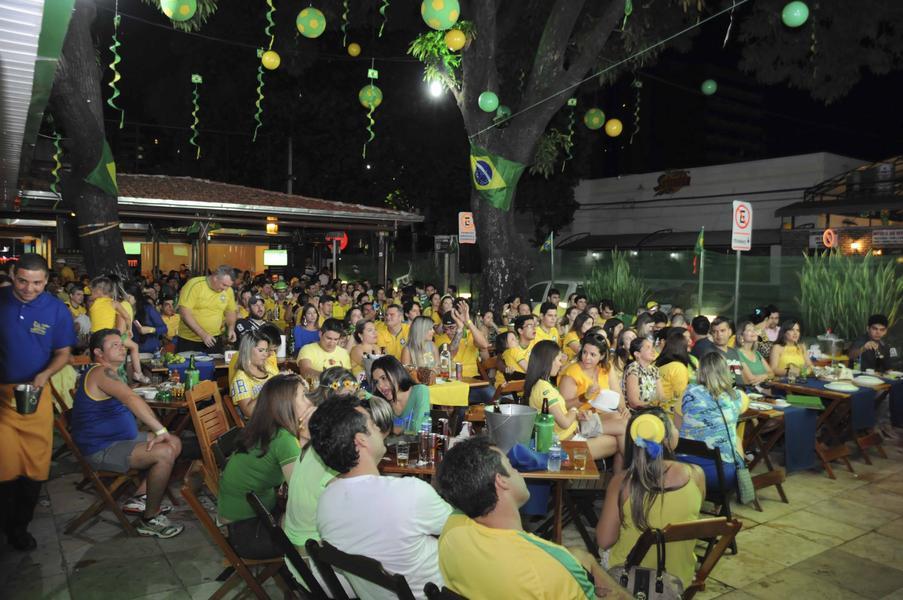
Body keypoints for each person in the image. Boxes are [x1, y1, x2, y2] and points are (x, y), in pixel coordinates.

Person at [435, 436, 621, 600]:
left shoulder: (452, 532)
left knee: (581, 556)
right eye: (510, 465)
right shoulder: (548, 572)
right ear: (501, 480)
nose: (517, 471)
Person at [311, 396, 453, 600]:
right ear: (361, 440)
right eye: (372, 424)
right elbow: (459, 528)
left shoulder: (326, 502)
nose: (379, 429)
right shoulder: (410, 493)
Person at [283, 369, 394, 593]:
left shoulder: (320, 446)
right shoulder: (341, 465)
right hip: (314, 567)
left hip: (297, 556)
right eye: (374, 428)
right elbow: (366, 527)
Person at [71, 329, 184, 538]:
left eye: (121, 343)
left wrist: (163, 433)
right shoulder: (100, 372)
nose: (122, 347)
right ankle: (149, 519)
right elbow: (131, 399)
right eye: (114, 345)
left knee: (175, 442)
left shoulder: (109, 372)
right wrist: (159, 429)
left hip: (121, 440)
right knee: (165, 453)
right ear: (98, 352)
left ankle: (141, 497)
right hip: (102, 448)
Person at [0, 254, 76, 550]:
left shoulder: (56, 309)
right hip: (2, 398)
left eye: (37, 283)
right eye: (22, 281)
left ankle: (20, 527)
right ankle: (8, 525)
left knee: (35, 466)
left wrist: (46, 374)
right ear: (12, 275)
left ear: (47, 281)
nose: (29, 288)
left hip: (34, 395)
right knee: (5, 464)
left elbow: (63, 352)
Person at [597, 410, 704, 589]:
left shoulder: (622, 483)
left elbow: (604, 540)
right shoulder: (696, 475)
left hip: (629, 577)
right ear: (667, 438)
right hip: (678, 578)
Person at [218, 375, 313, 559]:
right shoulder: (283, 439)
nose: (308, 401)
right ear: (286, 404)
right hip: (247, 531)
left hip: (243, 516)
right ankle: (306, 582)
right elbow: (303, 494)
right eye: (303, 396)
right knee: (316, 528)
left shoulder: (267, 427)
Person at [525, 341, 619, 461]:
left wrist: (577, 415)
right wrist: (574, 411)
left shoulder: (543, 385)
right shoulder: (543, 388)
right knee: (617, 440)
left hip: (573, 433)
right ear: (549, 361)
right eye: (559, 360)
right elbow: (564, 423)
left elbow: (560, 415)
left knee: (619, 424)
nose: (560, 365)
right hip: (565, 442)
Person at [675, 353, 747, 491]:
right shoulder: (737, 396)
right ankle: (739, 485)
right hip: (720, 476)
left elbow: (679, 429)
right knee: (736, 440)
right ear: (726, 371)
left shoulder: (688, 392)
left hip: (685, 468)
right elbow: (742, 407)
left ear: (700, 371)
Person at [558, 334, 628, 469]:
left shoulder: (605, 368)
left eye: (592, 354)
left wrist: (623, 409)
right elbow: (564, 407)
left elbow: (619, 399)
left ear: (601, 356)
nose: (587, 358)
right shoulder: (572, 373)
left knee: (624, 419)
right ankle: (633, 471)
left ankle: (623, 477)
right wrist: (585, 396)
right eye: (584, 352)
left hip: (600, 416)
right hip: (579, 420)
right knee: (624, 430)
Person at [176, 265, 237, 352]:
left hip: (214, 339)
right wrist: (203, 334)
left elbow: (230, 312)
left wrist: (231, 329)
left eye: (228, 286)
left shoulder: (228, 291)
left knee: (215, 365)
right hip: (189, 340)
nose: (225, 289)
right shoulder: (195, 285)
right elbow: (184, 313)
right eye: (224, 285)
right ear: (215, 277)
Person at [371, 355, 431, 435]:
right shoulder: (382, 402)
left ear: (396, 373)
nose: (380, 386)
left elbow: (418, 429)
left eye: (384, 378)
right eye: (376, 382)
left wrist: (391, 429)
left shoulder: (420, 391)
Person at [230, 329, 279, 417]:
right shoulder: (240, 378)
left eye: (266, 350)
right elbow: (249, 412)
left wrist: (287, 380)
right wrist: (269, 388)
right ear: (247, 351)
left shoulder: (267, 367)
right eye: (260, 350)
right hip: (259, 424)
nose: (265, 354)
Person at [655, 328, 695, 415]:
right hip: (670, 414)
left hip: (659, 411)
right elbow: (682, 396)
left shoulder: (662, 365)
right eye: (686, 344)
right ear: (681, 348)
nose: (690, 344)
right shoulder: (678, 368)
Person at [622, 337, 664, 411]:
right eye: (648, 347)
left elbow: (661, 396)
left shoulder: (654, 370)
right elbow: (634, 403)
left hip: (652, 410)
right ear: (637, 354)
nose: (653, 350)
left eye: (652, 347)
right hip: (636, 413)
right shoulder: (633, 369)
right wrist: (653, 407)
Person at [736, 321, 774, 385]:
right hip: (750, 392)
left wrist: (761, 377)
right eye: (749, 330)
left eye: (754, 329)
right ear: (741, 336)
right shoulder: (737, 353)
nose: (753, 332)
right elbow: (750, 380)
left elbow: (772, 374)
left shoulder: (757, 353)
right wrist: (766, 376)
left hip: (764, 388)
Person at [710, 317, 743, 383]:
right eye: (714, 331)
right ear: (712, 334)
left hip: (741, 391)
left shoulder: (734, 352)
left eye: (722, 330)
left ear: (730, 332)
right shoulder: (709, 354)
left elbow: (740, 376)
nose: (719, 335)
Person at [133, 290, 167, 354]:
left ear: (135, 297)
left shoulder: (148, 309)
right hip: (133, 351)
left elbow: (164, 328)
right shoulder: (123, 309)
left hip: (152, 351)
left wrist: (150, 330)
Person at [609, 327, 637, 394]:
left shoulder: (644, 358)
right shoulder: (615, 361)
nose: (632, 340)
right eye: (628, 338)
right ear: (622, 345)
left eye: (634, 337)